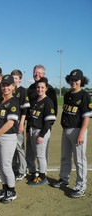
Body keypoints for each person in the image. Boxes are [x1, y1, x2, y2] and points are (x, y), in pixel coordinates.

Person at [51, 69, 91, 198]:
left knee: (79, 160)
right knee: (65, 157)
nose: (74, 82)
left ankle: (81, 186)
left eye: (76, 80)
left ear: (81, 81)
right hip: (66, 130)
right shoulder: (68, 95)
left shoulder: (85, 95)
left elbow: (86, 117)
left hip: (78, 130)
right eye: (72, 79)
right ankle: (64, 178)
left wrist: (81, 133)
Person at [0, 74, 20, 204]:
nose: (5, 87)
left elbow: (10, 123)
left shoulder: (14, 101)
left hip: (8, 137)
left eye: (8, 85)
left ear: (13, 87)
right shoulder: (1, 101)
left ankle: (12, 191)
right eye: (4, 85)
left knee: (6, 165)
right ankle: (5, 189)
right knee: (1, 166)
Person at [26, 65, 57, 180]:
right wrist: (28, 129)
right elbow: (30, 113)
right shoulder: (31, 90)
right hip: (32, 127)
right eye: (35, 73)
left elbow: (52, 115)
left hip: (42, 128)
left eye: (40, 73)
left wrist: (44, 131)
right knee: (32, 153)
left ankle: (42, 174)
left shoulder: (50, 94)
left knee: (41, 154)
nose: (37, 75)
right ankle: (33, 172)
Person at [11, 69, 30, 181]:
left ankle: (23, 170)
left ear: (20, 79)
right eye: (12, 78)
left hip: (18, 122)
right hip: (10, 122)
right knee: (11, 148)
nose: (14, 80)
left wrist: (21, 124)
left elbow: (25, 110)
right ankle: (14, 168)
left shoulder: (22, 91)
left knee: (19, 147)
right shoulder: (10, 90)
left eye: (16, 78)